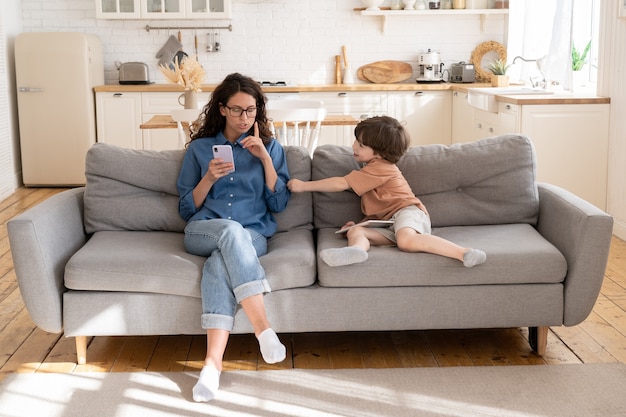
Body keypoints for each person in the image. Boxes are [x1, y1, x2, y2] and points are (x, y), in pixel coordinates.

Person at [177, 73, 290, 402]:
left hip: (252, 234)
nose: (245, 118)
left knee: (219, 264)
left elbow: (279, 203)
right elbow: (187, 208)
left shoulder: (270, 147)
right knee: (228, 230)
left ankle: (211, 367)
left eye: (251, 111)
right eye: (238, 110)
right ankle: (263, 328)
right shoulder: (200, 150)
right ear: (223, 109)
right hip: (204, 229)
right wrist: (209, 178)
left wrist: (265, 159)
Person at [287, 115, 486, 268]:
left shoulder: (381, 167)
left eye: (361, 144)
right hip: (389, 223)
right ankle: (356, 251)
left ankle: (464, 253)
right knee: (356, 231)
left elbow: (340, 184)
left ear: (381, 153)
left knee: (406, 240)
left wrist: (303, 186)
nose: (354, 146)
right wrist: (360, 224)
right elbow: (381, 209)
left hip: (408, 213)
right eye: (356, 141)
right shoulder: (369, 169)